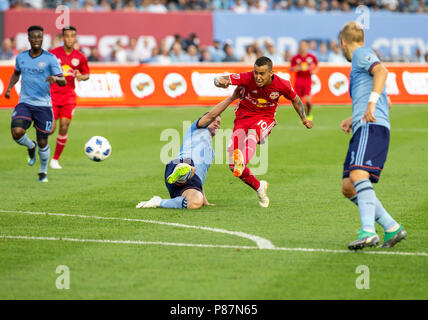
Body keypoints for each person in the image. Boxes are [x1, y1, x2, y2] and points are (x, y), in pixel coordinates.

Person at [339, 21, 406, 250]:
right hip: (363, 124)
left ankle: (368, 231)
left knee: (359, 174)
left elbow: (382, 71)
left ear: (343, 42)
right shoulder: (362, 56)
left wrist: (370, 104)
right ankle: (392, 228)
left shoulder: (360, 53)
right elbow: (383, 94)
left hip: (371, 126)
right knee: (348, 186)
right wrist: (354, 116)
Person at [214, 56, 313, 207]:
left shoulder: (282, 84)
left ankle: (244, 159)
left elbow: (295, 99)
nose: (258, 77)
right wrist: (219, 81)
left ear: (271, 72)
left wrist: (304, 118)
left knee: (253, 134)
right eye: (256, 73)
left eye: (262, 73)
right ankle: (259, 187)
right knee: (233, 167)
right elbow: (222, 78)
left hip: (265, 117)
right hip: (243, 116)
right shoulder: (247, 77)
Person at [136, 87, 242, 209]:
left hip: (190, 182)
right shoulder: (197, 128)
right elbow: (212, 113)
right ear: (205, 120)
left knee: (195, 202)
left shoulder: (211, 153)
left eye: (219, 122)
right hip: (180, 162)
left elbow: (201, 178)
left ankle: (158, 201)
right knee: (188, 165)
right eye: (213, 120)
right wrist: (232, 98)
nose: (216, 122)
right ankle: (183, 171)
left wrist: (204, 200)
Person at [4, 25, 66, 182]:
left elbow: (63, 80)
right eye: (34, 37)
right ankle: (30, 146)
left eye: (40, 37)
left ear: (42, 39)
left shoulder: (50, 58)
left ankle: (43, 171)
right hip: (25, 103)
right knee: (17, 131)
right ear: (29, 38)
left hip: (43, 105)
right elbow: (16, 73)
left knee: (43, 141)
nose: (37, 39)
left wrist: (55, 79)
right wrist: (10, 88)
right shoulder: (21, 57)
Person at [49, 26, 90, 169]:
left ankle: (55, 159)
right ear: (63, 38)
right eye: (67, 36)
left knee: (64, 126)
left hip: (68, 97)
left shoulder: (80, 57)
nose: (69, 39)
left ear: (75, 38)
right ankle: (38, 144)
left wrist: (81, 76)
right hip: (52, 95)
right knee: (50, 129)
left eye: (72, 36)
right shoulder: (53, 54)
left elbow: (87, 75)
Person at [290, 40, 318, 121]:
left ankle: (308, 112)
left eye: (304, 45)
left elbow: (316, 65)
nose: (302, 47)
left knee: (308, 101)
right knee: (299, 102)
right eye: (301, 45)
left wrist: (314, 71)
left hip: (307, 80)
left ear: (307, 46)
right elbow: (291, 68)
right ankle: (303, 117)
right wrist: (297, 68)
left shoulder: (311, 57)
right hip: (299, 80)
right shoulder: (295, 58)